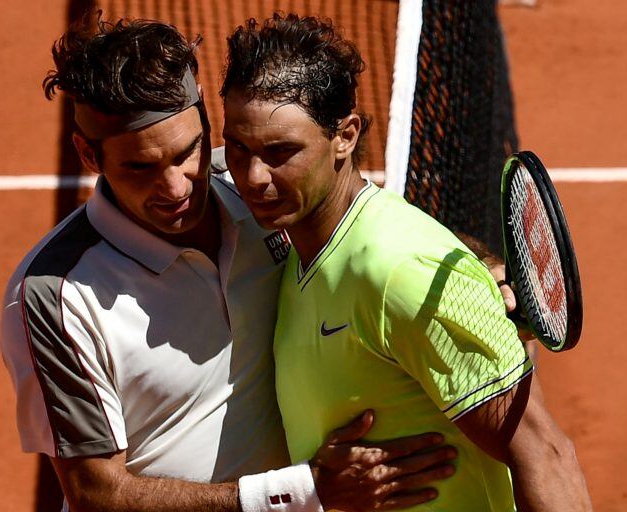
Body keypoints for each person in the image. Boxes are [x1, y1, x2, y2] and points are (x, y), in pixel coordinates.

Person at [0, 15, 461, 512]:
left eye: (188, 151)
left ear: (206, 120)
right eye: (141, 167)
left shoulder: (254, 190)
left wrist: (469, 269)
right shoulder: (54, 295)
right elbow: (97, 493)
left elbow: (368, 227)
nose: (176, 188)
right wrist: (303, 492)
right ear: (88, 154)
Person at [220, 13, 591, 511]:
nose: (253, 176)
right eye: (238, 148)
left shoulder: (399, 273)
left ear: (345, 136)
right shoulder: (299, 247)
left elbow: (547, 456)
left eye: (281, 151)